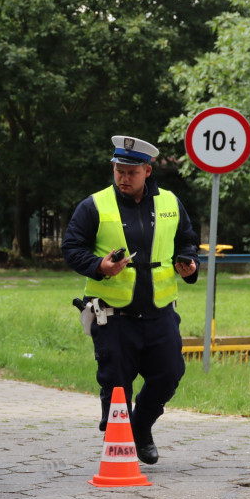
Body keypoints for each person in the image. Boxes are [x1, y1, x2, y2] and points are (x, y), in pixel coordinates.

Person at [62, 136, 200, 465]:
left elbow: (188, 242)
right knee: (117, 387)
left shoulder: (170, 203)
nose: (123, 177)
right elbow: (71, 247)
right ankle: (119, 454)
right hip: (114, 317)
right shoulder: (93, 206)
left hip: (160, 314)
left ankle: (140, 427)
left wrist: (190, 265)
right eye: (118, 170)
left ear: (147, 171)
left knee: (169, 375)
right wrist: (99, 266)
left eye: (131, 172)